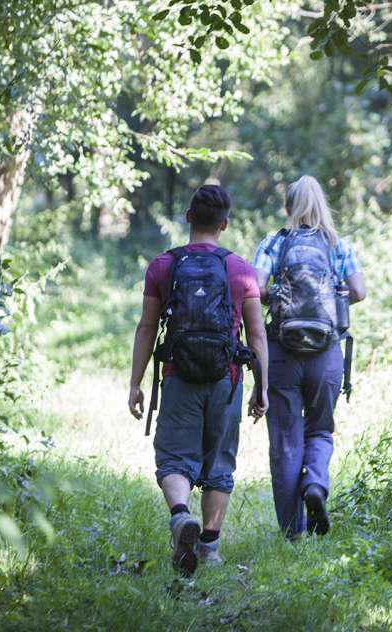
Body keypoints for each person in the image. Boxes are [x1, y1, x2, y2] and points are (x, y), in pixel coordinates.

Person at [128, 184, 269, 575]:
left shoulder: (164, 265)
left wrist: (135, 382)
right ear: (224, 224)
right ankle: (209, 546)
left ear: (188, 217)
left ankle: (179, 517)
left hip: (178, 374)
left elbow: (146, 327)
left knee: (174, 456)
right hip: (226, 378)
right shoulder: (240, 270)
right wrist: (263, 386)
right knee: (219, 462)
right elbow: (256, 335)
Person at [252, 175, 366, 538]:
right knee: (320, 428)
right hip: (326, 350)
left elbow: (254, 289)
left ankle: (292, 533)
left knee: (286, 439)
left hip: (283, 351)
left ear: (288, 207)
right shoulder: (338, 244)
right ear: (323, 206)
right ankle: (315, 483)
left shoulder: (275, 242)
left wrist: (277, 296)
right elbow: (360, 291)